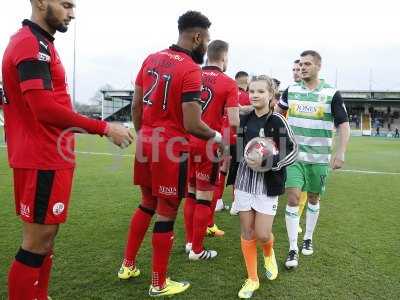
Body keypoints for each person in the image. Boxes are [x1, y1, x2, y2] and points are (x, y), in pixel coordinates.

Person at [2, 1, 133, 299]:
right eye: (65, 4)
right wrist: (104, 128)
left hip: (49, 156)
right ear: (39, 2)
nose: (72, 13)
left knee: (47, 237)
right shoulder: (29, 44)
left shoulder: (40, 43)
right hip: (40, 158)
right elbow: (44, 109)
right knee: (36, 242)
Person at [118, 11, 221, 297]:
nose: (206, 44)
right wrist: (216, 136)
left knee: (146, 204)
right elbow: (191, 123)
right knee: (166, 213)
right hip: (171, 147)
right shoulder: (190, 69)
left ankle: (127, 265)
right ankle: (158, 283)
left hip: (147, 141)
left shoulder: (150, 58)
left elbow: (136, 105)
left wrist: (145, 134)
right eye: (206, 39)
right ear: (197, 37)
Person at [276, 50, 350, 269]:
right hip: (294, 157)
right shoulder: (291, 91)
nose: (303, 67)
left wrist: (341, 152)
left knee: (314, 199)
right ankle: (292, 249)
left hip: (318, 158)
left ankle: (308, 237)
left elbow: (344, 126)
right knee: (292, 198)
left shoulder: (331, 93)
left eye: (307, 64)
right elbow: (277, 115)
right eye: (300, 64)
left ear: (318, 66)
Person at [230, 75, 297, 298]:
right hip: (244, 181)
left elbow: (293, 151)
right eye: (252, 91)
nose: (255, 95)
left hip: (268, 183)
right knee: (247, 232)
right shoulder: (246, 119)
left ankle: (269, 253)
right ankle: (252, 279)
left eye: (260, 91)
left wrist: (270, 162)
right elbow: (239, 152)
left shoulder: (278, 120)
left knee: (262, 234)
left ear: (271, 95)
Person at [184, 39, 239, 255]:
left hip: (186, 141)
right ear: (224, 57)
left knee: (190, 193)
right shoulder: (228, 82)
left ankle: (189, 242)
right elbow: (233, 121)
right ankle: (197, 250)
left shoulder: (191, 74)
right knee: (204, 197)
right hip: (209, 143)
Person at [213, 70, 251, 215]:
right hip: (239, 137)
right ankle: (236, 205)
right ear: (246, 81)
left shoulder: (227, 93)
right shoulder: (248, 96)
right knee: (239, 171)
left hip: (224, 135)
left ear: (236, 81)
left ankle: (217, 201)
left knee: (222, 169)